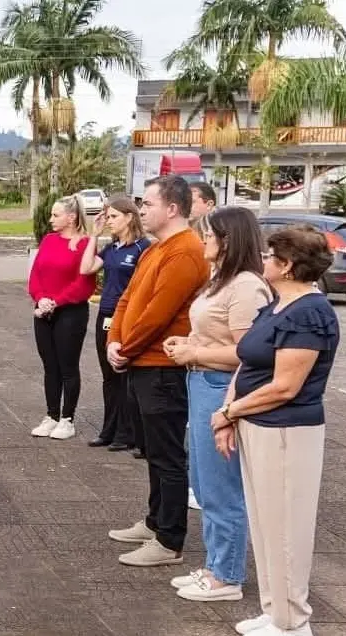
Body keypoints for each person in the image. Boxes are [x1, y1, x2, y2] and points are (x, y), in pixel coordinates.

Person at [212, 225, 341, 636]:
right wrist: (230, 414)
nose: (263, 261)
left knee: (286, 526)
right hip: (258, 425)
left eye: (270, 256)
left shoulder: (309, 313)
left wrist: (230, 411)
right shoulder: (278, 306)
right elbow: (248, 364)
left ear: (286, 266)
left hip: (287, 430)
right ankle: (274, 610)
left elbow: (286, 386)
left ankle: (293, 622)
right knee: (267, 523)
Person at [163, 207, 269, 604]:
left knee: (221, 484)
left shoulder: (245, 286)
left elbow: (249, 352)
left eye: (208, 234)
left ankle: (226, 574)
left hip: (221, 385)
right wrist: (189, 346)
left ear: (228, 239)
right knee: (204, 480)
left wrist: (196, 352)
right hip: (201, 378)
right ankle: (215, 565)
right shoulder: (219, 281)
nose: (202, 239)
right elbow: (213, 334)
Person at [107, 175, 209, 567]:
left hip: (162, 367)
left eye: (148, 204)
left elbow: (159, 314)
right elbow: (127, 299)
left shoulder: (184, 252)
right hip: (139, 362)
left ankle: (169, 539)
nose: (141, 210)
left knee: (167, 455)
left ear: (171, 208)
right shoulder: (155, 249)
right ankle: (154, 522)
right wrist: (114, 342)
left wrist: (126, 348)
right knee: (151, 450)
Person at [79, 196, 150, 451]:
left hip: (128, 318)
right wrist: (94, 235)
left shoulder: (143, 248)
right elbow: (86, 268)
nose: (108, 221)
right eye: (107, 217)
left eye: (113, 217)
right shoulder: (113, 248)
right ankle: (109, 430)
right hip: (105, 314)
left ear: (129, 217)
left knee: (125, 376)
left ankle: (128, 433)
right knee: (108, 377)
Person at [27, 195, 96, 441]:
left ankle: (67, 418)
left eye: (56, 215)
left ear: (72, 217)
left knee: (68, 367)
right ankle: (51, 415)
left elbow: (84, 282)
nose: (51, 219)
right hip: (43, 310)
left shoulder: (85, 244)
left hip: (70, 312)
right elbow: (36, 274)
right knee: (50, 367)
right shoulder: (48, 240)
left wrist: (57, 301)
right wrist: (41, 297)